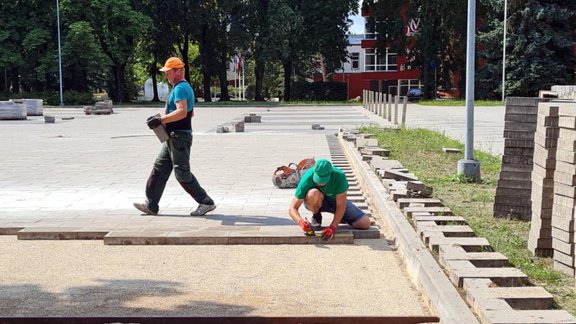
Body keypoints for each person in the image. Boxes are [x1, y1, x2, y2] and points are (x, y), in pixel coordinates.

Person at [134, 57, 216, 216]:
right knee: (159, 169)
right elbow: (190, 113)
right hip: (173, 137)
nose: (167, 76)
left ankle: (206, 202)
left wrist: (161, 120)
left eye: (169, 72)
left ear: (178, 71)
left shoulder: (180, 88)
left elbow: (182, 111)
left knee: (182, 173)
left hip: (179, 138)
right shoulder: (183, 88)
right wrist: (165, 123)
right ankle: (151, 205)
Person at [288, 159, 371, 240]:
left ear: (330, 173)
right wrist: (301, 222)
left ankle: (340, 217)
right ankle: (316, 215)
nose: (320, 183)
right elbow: (292, 208)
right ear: (314, 172)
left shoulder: (339, 176)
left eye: (323, 180)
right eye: (318, 179)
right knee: (313, 193)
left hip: (336, 201)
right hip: (316, 201)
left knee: (364, 223)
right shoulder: (307, 178)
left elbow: (341, 206)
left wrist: (333, 227)